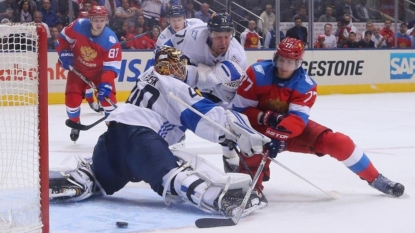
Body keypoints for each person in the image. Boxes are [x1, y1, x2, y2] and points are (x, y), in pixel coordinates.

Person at [49, 46, 270, 218]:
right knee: (174, 174)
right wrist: (236, 130)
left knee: (102, 175)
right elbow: (202, 115)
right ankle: (221, 198)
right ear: (174, 67)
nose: (182, 70)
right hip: (141, 140)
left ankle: (82, 178)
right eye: (180, 66)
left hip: (111, 138)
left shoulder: (146, 75)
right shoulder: (173, 85)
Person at [232, 37, 405, 197]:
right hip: (256, 129)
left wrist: (279, 134)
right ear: (275, 57)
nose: (284, 66)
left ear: (299, 62)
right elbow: (239, 111)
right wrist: (266, 119)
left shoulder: (305, 85)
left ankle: (375, 178)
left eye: (290, 62)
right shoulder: (257, 73)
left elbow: (298, 122)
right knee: (252, 147)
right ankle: (250, 189)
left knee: (340, 142)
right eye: (281, 60)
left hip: (288, 132)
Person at [165, 13, 248, 172]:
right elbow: (168, 45)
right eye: (218, 36)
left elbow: (232, 96)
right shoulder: (193, 36)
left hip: (216, 87)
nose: (223, 42)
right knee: (176, 109)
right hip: (189, 71)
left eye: (227, 36)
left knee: (225, 120)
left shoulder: (238, 58)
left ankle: (230, 155)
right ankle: (163, 142)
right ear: (209, 34)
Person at [56, 5, 121, 142]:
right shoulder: (78, 26)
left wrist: (106, 84)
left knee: (108, 101)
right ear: (90, 19)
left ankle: (113, 131)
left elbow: (111, 67)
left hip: (99, 73)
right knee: (71, 101)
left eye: (102, 20)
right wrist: (64, 53)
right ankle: (76, 123)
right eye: (96, 20)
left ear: (106, 20)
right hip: (78, 70)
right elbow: (63, 38)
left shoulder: (111, 40)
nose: (99, 24)